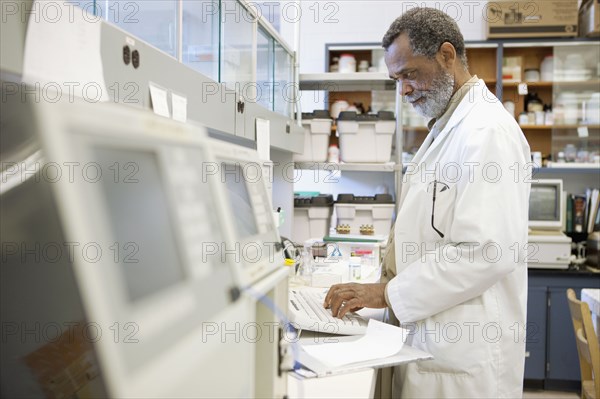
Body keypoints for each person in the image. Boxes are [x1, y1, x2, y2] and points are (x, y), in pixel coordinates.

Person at [323, 7, 531, 398]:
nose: (402, 90)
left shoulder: (488, 133)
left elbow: (486, 252)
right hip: (432, 341)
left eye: (409, 74)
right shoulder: (448, 128)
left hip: (464, 361)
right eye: (395, 78)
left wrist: (386, 293)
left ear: (447, 56)